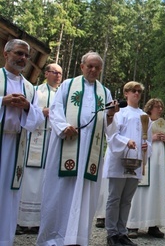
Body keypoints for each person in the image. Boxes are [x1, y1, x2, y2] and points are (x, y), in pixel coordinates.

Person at [36, 51, 118, 246]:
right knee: (60, 192)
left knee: (85, 195)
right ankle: (54, 238)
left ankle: (77, 238)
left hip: (91, 150)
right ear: (82, 67)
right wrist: (64, 127)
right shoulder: (68, 85)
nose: (93, 70)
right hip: (68, 143)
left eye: (97, 67)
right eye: (90, 66)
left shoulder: (104, 92)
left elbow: (108, 124)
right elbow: (55, 109)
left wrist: (111, 115)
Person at [0, 39, 45, 245]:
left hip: (16, 144)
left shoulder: (30, 88)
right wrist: (3, 101)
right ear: (6, 54)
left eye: (26, 55)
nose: (23, 58)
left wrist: (27, 106)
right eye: (19, 53)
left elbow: (37, 119)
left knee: (9, 197)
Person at [103, 81, 152, 246]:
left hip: (135, 162)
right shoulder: (119, 113)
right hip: (119, 160)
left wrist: (147, 146)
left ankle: (122, 233)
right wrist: (126, 142)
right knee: (114, 198)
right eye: (133, 91)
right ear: (126, 93)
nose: (136, 93)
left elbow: (149, 139)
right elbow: (111, 135)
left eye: (139, 91)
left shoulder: (145, 116)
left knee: (126, 200)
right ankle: (111, 234)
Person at [17, 63, 62, 235]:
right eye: (54, 72)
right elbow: (29, 111)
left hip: (52, 140)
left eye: (60, 73)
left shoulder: (62, 94)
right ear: (46, 73)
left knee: (46, 180)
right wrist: (43, 112)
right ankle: (21, 221)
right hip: (36, 137)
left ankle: (38, 222)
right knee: (29, 179)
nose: (57, 76)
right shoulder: (36, 91)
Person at [127, 98, 165, 239]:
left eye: (161, 107)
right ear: (150, 108)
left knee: (156, 192)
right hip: (145, 162)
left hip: (158, 165)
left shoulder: (162, 124)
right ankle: (133, 224)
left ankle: (153, 225)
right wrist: (150, 138)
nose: (160, 109)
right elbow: (133, 138)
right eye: (156, 107)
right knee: (139, 191)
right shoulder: (142, 121)